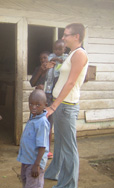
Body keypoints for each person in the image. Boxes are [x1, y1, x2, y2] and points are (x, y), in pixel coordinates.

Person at [44, 23, 89, 188]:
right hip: (62, 104)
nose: (63, 38)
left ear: (76, 36)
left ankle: (69, 184)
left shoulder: (80, 54)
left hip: (66, 105)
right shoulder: (71, 54)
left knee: (69, 147)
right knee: (61, 144)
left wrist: (54, 106)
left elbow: (71, 83)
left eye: (66, 35)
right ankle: (54, 172)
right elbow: (64, 77)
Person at [17, 89, 50, 188]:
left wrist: (37, 165)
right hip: (27, 160)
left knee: (34, 185)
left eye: (38, 105)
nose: (33, 107)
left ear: (45, 105)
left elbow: (42, 146)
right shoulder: (33, 117)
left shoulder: (42, 123)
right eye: (31, 104)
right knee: (26, 182)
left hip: (34, 162)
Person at [44, 39, 68, 159]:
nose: (57, 51)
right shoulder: (51, 57)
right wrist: (55, 59)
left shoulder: (67, 57)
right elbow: (49, 61)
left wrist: (60, 60)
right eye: (55, 49)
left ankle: (59, 149)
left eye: (60, 49)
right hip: (49, 92)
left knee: (59, 122)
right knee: (48, 121)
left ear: (65, 49)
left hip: (60, 93)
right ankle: (46, 148)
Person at [30, 51, 55, 159]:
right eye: (41, 59)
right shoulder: (38, 69)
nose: (43, 61)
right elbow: (32, 82)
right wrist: (41, 70)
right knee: (35, 124)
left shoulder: (54, 69)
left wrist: (43, 88)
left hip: (49, 101)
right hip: (37, 102)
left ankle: (47, 150)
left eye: (45, 58)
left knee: (47, 126)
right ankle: (34, 148)